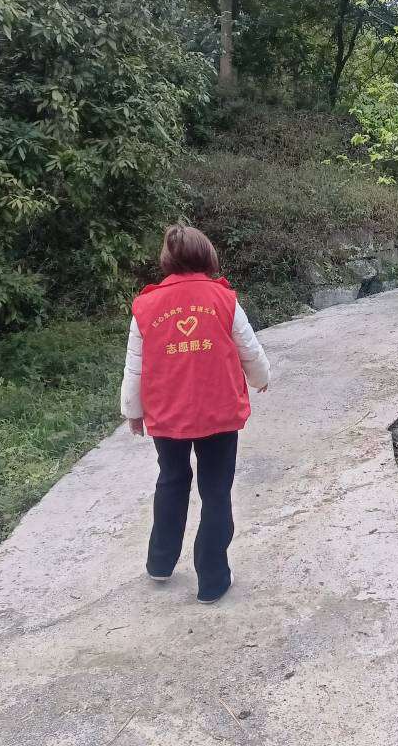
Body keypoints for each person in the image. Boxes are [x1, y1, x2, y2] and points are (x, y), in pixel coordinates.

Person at [119, 225, 271, 604]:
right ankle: (213, 581)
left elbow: (135, 366)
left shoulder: (146, 306)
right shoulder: (223, 299)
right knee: (215, 490)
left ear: (167, 260)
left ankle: (160, 563)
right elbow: (249, 349)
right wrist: (261, 379)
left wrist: (133, 411)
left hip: (167, 414)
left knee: (171, 480)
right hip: (218, 412)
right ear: (207, 256)